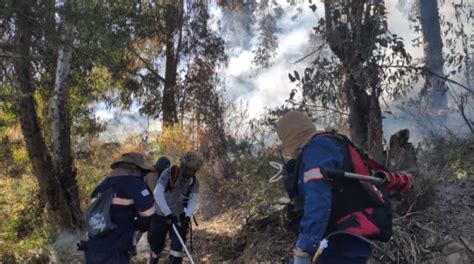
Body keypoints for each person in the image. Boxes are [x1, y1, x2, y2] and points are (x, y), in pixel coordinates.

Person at [276, 111, 371, 264]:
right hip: (344, 242)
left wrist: (304, 247)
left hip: (339, 245)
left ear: (290, 135)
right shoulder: (328, 144)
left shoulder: (316, 148)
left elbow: (318, 199)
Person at [83, 152, 156, 264]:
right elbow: (148, 212)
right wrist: (138, 225)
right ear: (135, 169)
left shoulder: (102, 186)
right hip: (115, 250)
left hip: (93, 249)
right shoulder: (134, 183)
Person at [148, 151, 202, 264]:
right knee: (156, 245)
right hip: (161, 215)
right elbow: (157, 193)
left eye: (193, 171)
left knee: (178, 247)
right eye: (188, 169)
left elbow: (193, 199)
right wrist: (167, 213)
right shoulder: (169, 173)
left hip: (179, 216)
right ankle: (153, 259)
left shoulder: (194, 181)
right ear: (183, 166)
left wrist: (187, 217)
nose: (190, 172)